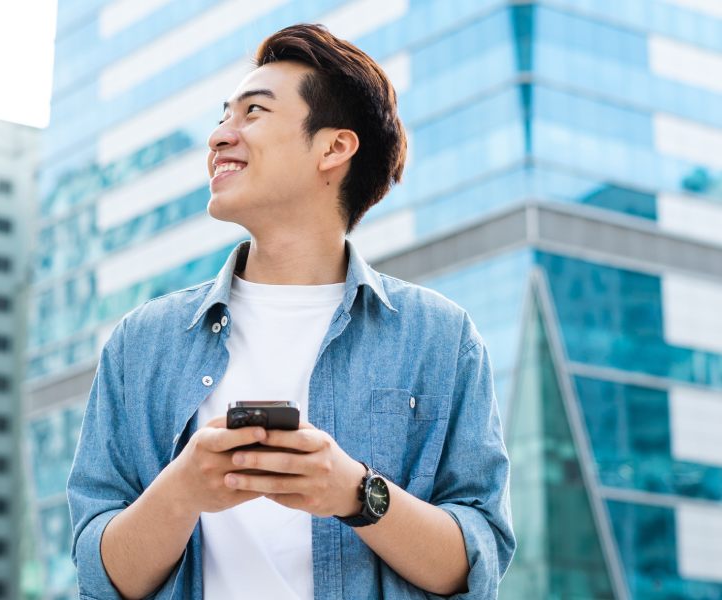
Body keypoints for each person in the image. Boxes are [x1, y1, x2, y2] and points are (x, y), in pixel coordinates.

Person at [68, 23, 514, 600]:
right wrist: (183, 489)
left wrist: (354, 492)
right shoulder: (143, 342)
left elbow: (478, 563)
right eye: (223, 115)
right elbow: (99, 577)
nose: (219, 137)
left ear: (333, 148)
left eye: (253, 112)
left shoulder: (440, 337)